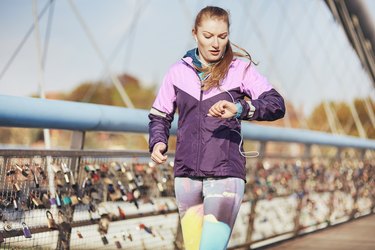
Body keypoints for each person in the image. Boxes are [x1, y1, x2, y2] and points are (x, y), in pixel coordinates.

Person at [149, 6, 285, 250]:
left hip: (225, 174)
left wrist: (240, 108)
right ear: (195, 33)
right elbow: (159, 115)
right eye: (208, 36)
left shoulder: (240, 70)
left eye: (222, 37)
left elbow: (276, 104)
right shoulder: (177, 72)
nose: (215, 43)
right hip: (186, 175)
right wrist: (158, 141)